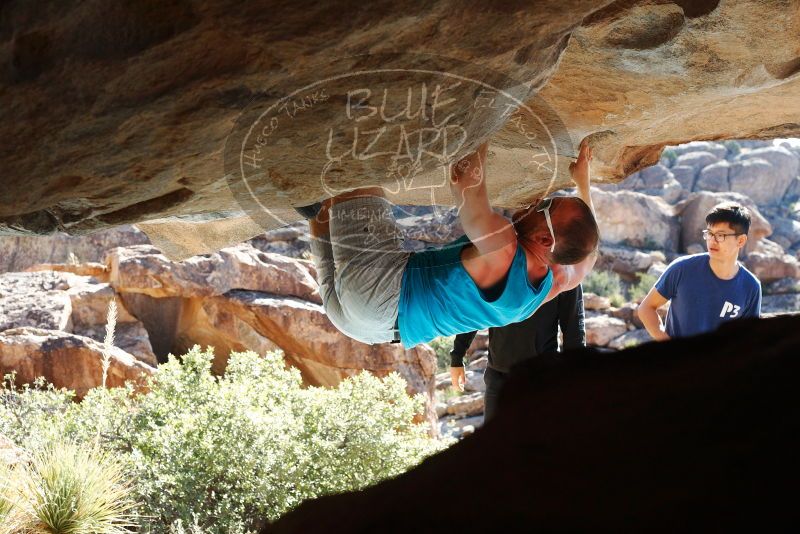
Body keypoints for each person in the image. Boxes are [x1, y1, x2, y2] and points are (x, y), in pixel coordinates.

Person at [303, 140, 599, 349]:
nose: (537, 200)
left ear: (545, 239)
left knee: (356, 168)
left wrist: (493, 105)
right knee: (321, 211)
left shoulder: (505, 249)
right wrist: (583, 183)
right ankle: (311, 209)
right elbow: (587, 257)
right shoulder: (550, 284)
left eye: (545, 205)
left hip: (381, 291)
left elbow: (464, 178)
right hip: (366, 329)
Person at [450, 284, 585, 421]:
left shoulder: (565, 269)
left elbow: (574, 331)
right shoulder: (498, 264)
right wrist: (457, 354)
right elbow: (475, 309)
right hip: (498, 379)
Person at [637, 202, 761, 341]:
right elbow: (646, 308)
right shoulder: (682, 269)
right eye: (709, 234)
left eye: (720, 235)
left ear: (741, 240)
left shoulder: (751, 287)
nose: (712, 241)